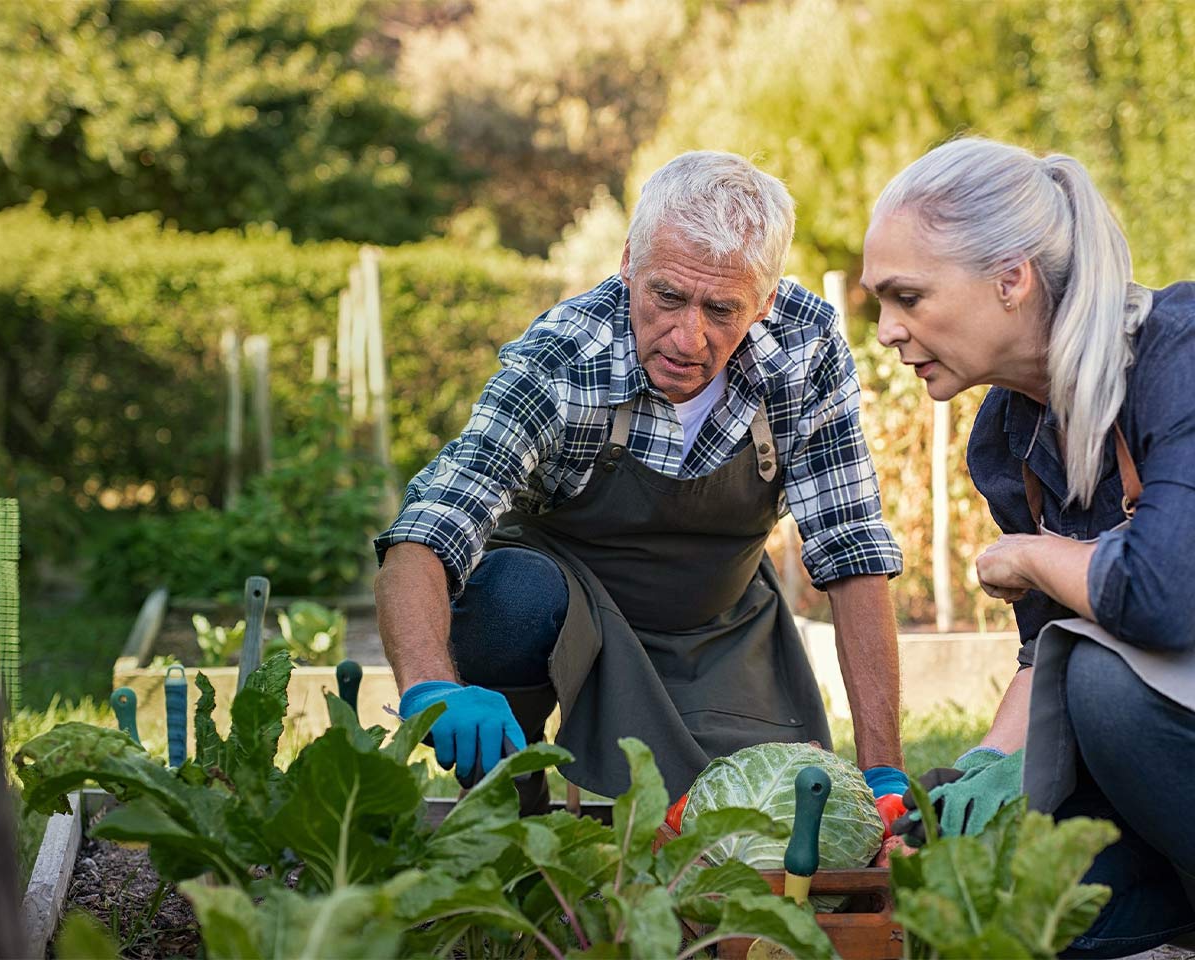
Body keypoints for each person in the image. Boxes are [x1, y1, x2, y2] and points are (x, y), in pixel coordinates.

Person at [373, 151, 908, 820]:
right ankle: (504, 806)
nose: (688, 337)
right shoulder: (565, 358)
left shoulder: (806, 347)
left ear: (766, 301)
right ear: (629, 261)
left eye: (721, 309)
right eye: (667, 296)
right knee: (511, 596)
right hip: (569, 613)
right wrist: (430, 687)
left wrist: (885, 767)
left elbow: (851, 548)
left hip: (718, 624)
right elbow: (428, 529)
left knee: (750, 829)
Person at [863, 136, 1195, 957]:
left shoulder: (1175, 355)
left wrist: (1030, 556)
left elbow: (1162, 592)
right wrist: (977, 773)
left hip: (1159, 727)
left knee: (1106, 688)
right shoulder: (1008, 434)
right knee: (1027, 909)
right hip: (1163, 760)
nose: (886, 332)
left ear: (1011, 280)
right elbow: (1044, 652)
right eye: (880, 300)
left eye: (908, 296)